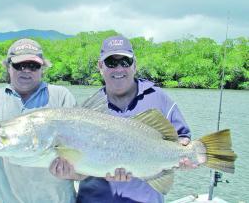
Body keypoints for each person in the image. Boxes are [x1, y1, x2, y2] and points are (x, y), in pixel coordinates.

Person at [76, 35, 195, 203]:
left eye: (125, 62)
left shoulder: (159, 99)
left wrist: (184, 155)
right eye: (111, 62)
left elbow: (183, 138)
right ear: (100, 66)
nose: (119, 69)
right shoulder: (89, 110)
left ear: (135, 65)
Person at [0, 38, 79, 203]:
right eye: (19, 65)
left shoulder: (61, 95)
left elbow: (76, 146)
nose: (26, 71)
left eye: (33, 66)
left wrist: (71, 169)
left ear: (43, 68)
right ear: (7, 66)